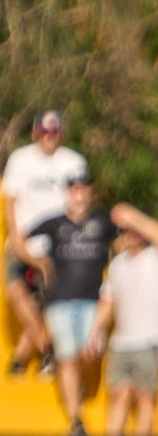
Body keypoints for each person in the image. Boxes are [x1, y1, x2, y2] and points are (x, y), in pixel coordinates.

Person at [20, 171, 115, 436]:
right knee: (67, 359)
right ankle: (76, 420)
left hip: (92, 300)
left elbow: (124, 240)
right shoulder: (54, 223)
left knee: (92, 352)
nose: (79, 193)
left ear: (90, 192)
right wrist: (40, 264)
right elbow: (20, 239)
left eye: (84, 188)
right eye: (74, 188)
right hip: (60, 300)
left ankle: (80, 393)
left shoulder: (102, 219)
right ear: (67, 192)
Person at [89, 204, 158, 436]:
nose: (133, 234)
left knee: (145, 395)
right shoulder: (118, 265)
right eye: (128, 230)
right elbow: (108, 302)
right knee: (120, 393)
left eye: (137, 231)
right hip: (121, 341)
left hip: (149, 338)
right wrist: (96, 331)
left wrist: (134, 216)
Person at [3, 110, 86, 378]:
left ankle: (22, 357)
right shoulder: (20, 159)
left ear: (61, 134)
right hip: (25, 240)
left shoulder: (74, 162)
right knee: (16, 293)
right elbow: (10, 200)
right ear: (36, 132)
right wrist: (17, 239)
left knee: (50, 304)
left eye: (55, 132)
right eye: (45, 132)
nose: (50, 137)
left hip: (58, 246)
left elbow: (80, 204)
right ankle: (46, 347)